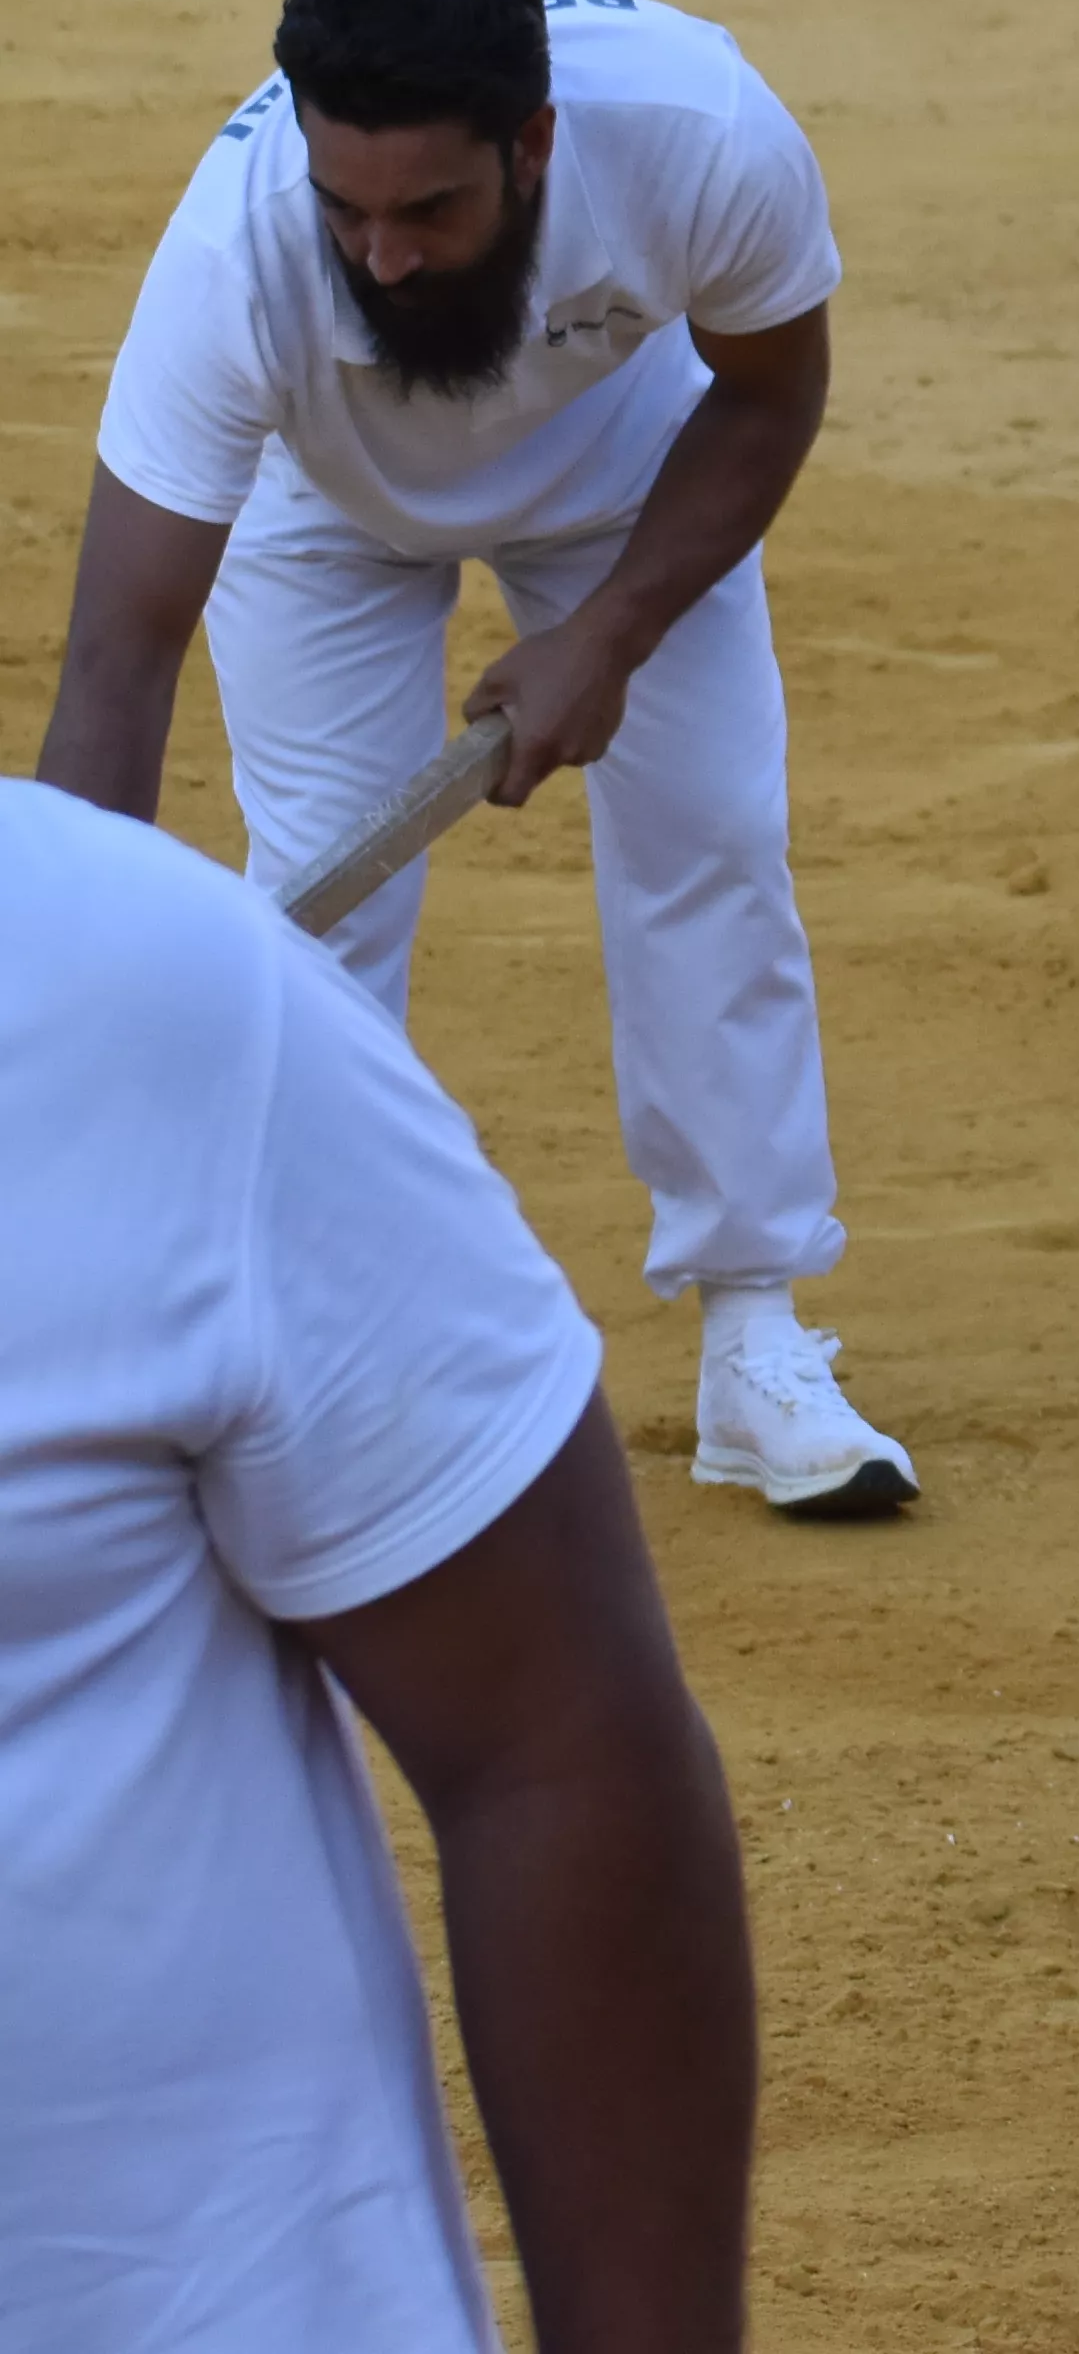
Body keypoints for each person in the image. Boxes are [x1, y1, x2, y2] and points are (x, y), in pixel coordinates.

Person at [34, 0, 918, 1518]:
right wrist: (57, 1008)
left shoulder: (702, 133)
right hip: (325, 510)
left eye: (428, 211)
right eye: (345, 209)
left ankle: (755, 1342)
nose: (376, 255)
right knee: (317, 900)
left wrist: (613, 632)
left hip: (628, 476)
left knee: (707, 837)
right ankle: (313, 1356)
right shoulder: (234, 259)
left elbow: (772, 391)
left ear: (535, 146)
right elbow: (118, 654)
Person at [0, 779, 758, 2354]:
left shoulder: (136, 987)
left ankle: (754, 1293)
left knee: (714, 841)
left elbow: (562, 1740)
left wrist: (609, 636)